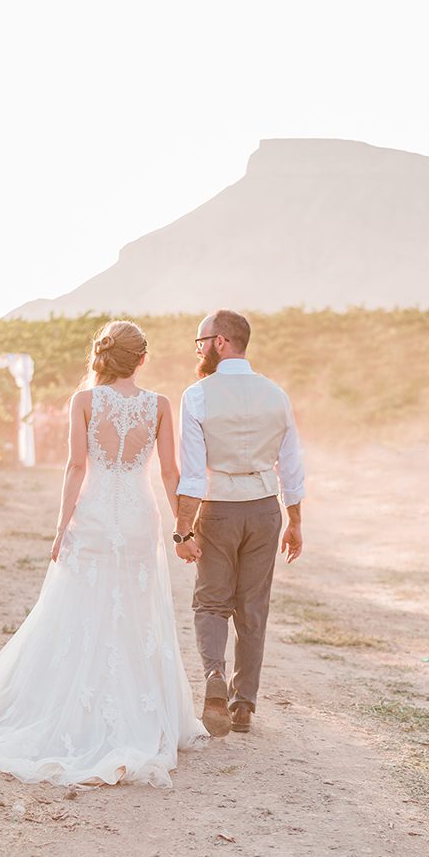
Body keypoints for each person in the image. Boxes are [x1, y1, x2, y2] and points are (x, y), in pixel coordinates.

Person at [0, 321, 207, 788]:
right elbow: (170, 473)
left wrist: (61, 528)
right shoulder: (159, 405)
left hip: (97, 515)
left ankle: (75, 710)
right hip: (140, 519)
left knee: (80, 608)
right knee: (135, 612)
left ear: (102, 357)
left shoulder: (84, 402)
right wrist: (184, 532)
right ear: (141, 360)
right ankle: (136, 712)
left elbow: (77, 466)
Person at [172, 309, 305, 736]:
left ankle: (213, 676)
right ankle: (243, 704)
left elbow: (191, 474)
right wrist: (295, 521)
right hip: (265, 509)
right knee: (253, 608)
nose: (199, 349)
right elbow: (292, 465)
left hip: (218, 508)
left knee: (211, 602)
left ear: (220, 342)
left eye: (201, 342)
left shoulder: (197, 396)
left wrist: (183, 529)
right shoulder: (276, 394)